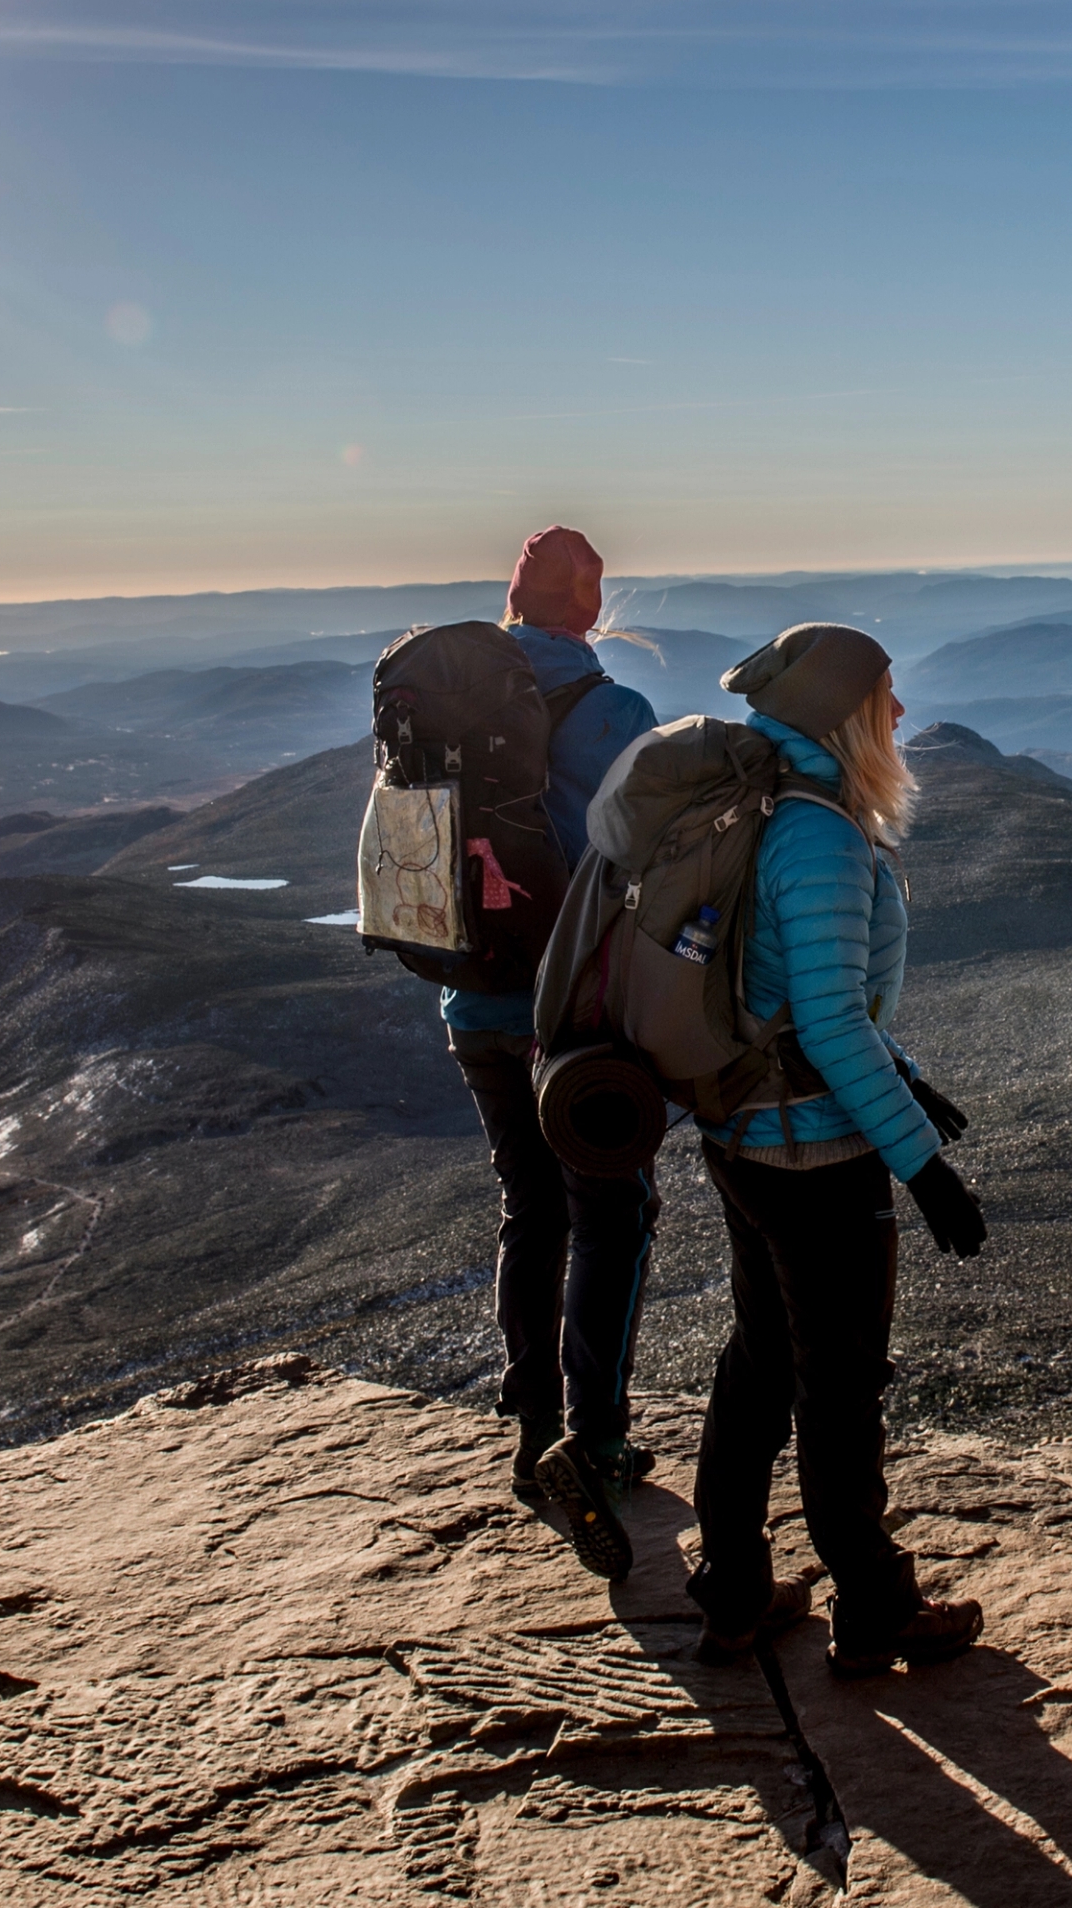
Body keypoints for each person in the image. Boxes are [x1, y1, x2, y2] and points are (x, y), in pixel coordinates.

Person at [682, 622, 992, 1672]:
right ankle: (874, 1607)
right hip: (811, 1152)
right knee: (840, 1384)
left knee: (762, 1356)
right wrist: (924, 1167)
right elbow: (825, 1019)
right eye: (887, 696)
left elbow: (796, 1003)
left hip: (745, 1133)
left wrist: (905, 1081)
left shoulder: (769, 801)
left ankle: (730, 1592)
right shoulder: (817, 833)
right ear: (844, 715)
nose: (901, 713)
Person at [441, 526, 664, 1574]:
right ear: (590, 603)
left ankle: (533, 1429)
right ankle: (598, 1438)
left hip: (473, 1000)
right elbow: (653, 857)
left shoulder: (446, 705)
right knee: (613, 1213)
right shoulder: (615, 711)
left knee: (527, 1206)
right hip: (578, 1011)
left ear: (510, 600)